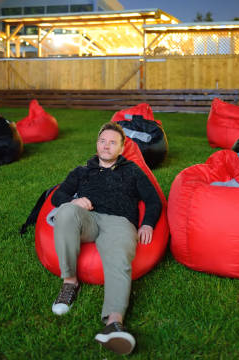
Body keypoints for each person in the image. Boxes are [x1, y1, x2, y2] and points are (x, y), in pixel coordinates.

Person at [50, 121, 162, 355]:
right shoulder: (82, 171)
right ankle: (69, 283)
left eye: (112, 143)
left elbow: (153, 200)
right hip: (87, 218)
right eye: (103, 141)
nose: (106, 146)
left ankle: (114, 323)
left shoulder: (132, 170)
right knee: (66, 211)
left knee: (119, 255)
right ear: (97, 144)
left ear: (121, 148)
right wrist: (73, 201)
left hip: (119, 222)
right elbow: (58, 195)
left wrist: (148, 223)